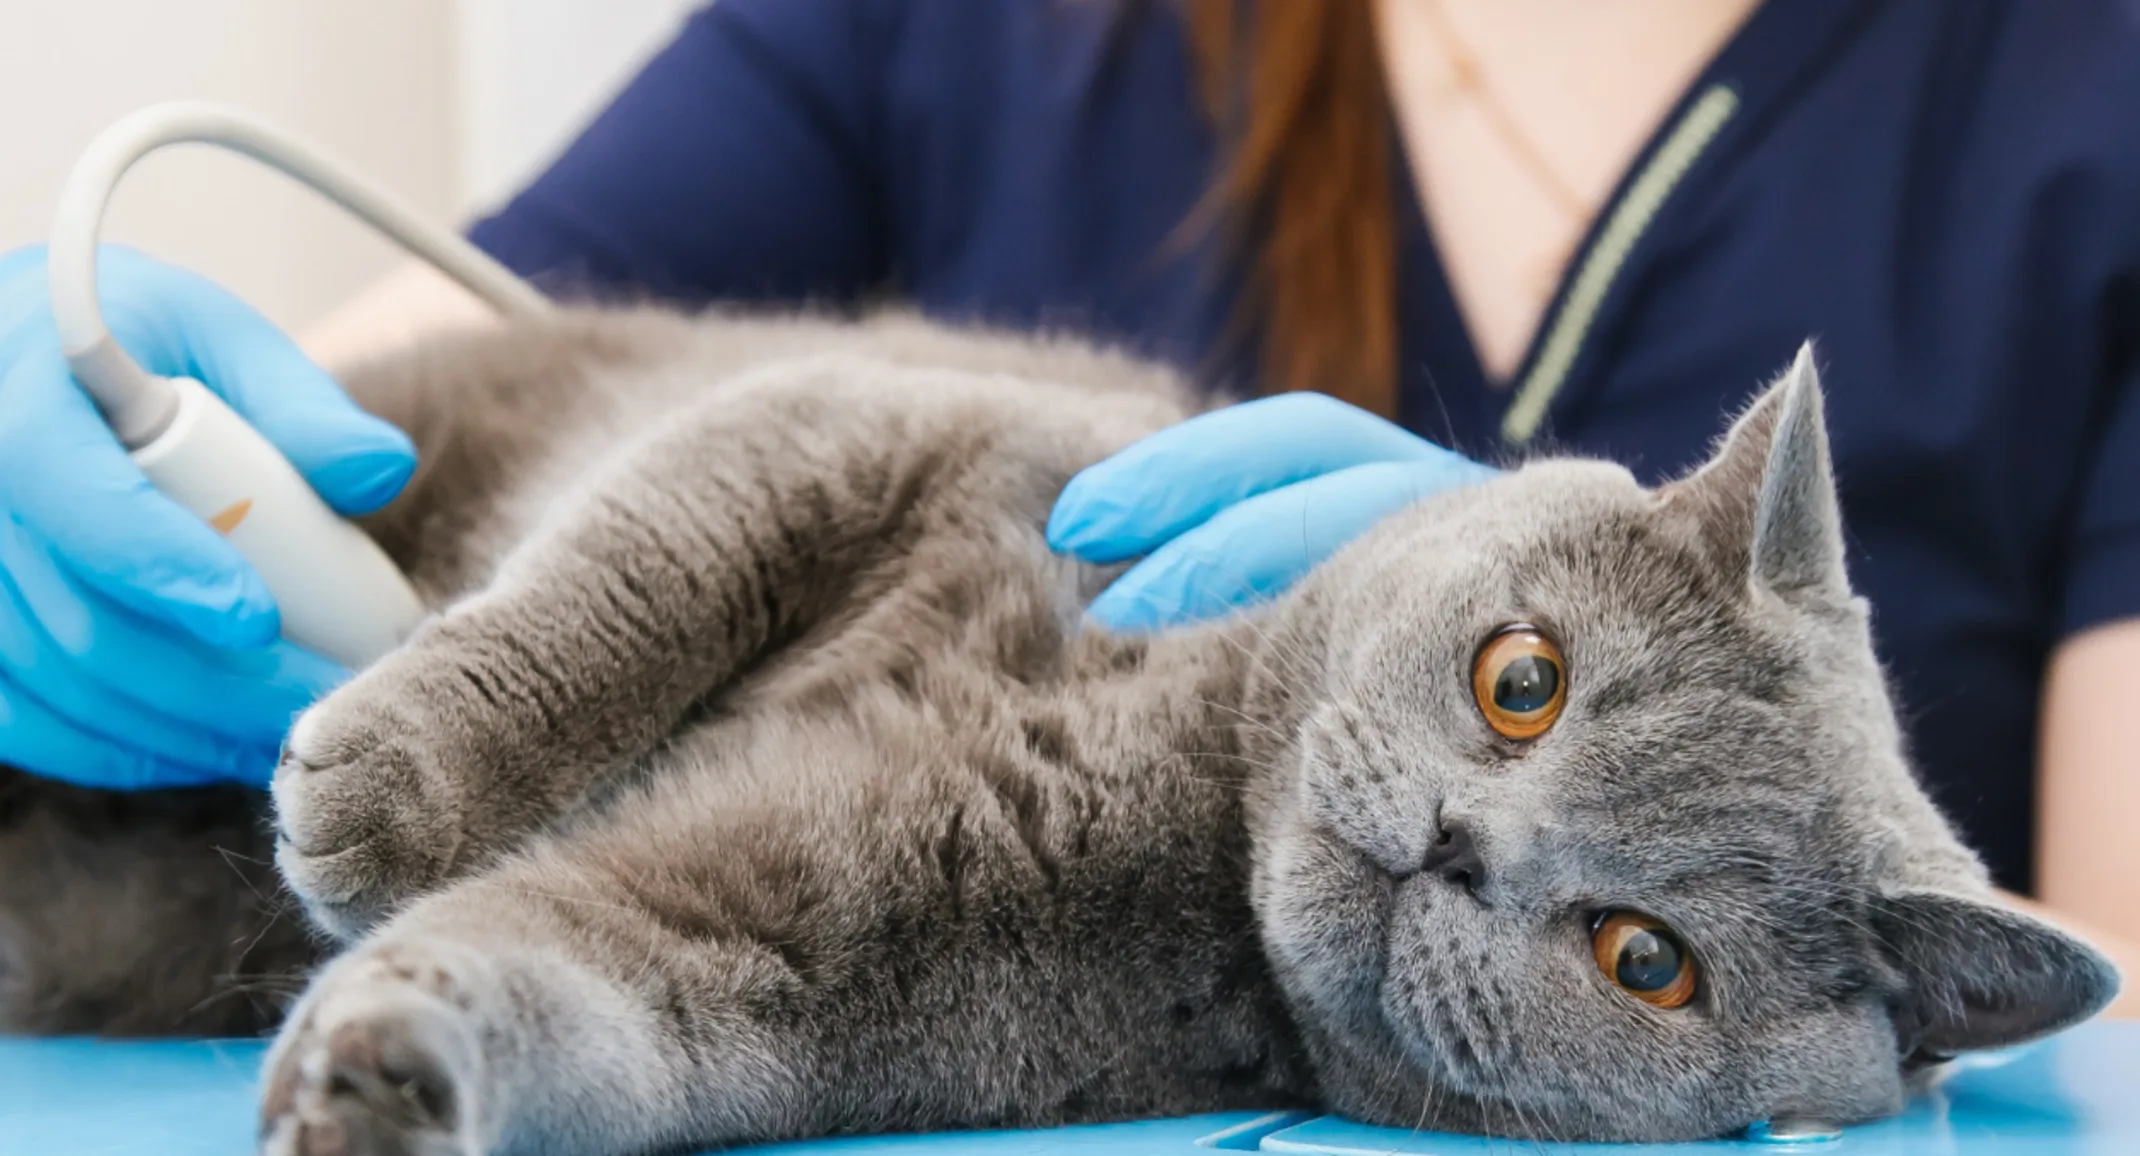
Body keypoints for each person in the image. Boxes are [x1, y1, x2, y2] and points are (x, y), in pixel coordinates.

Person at [1, 0, 2135, 1008]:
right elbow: (339, 432)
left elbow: (2103, 1002)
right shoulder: (967, 33)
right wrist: (62, 408)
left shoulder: (2073, 106)